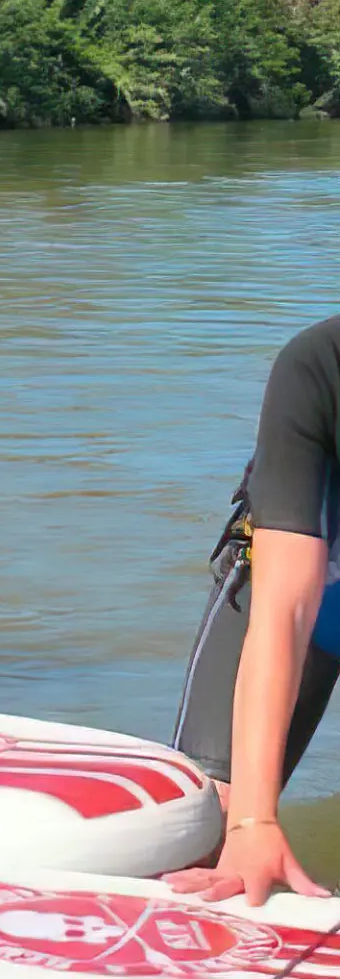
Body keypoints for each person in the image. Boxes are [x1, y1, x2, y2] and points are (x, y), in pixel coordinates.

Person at [165, 315, 340, 908]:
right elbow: (287, 607)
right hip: (304, 589)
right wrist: (251, 823)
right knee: (205, 824)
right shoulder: (318, 364)